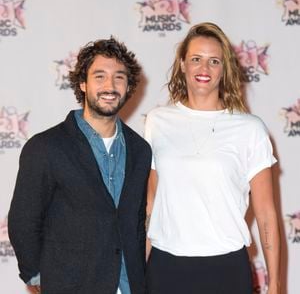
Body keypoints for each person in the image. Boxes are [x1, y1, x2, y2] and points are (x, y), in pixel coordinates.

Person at [8, 37, 152, 294]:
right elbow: (23, 220)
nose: (110, 85)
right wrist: (39, 278)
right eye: (100, 76)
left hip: (129, 286)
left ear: (128, 85)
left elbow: (136, 223)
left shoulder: (141, 150)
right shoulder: (46, 147)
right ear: (83, 84)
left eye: (119, 77)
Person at [144, 22, 280, 294]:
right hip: (165, 265)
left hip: (226, 267)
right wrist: (140, 268)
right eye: (196, 59)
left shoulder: (250, 128)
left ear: (224, 69)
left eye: (213, 61)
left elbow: (265, 214)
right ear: (182, 64)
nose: (203, 69)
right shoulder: (157, 121)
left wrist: (275, 284)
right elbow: (152, 204)